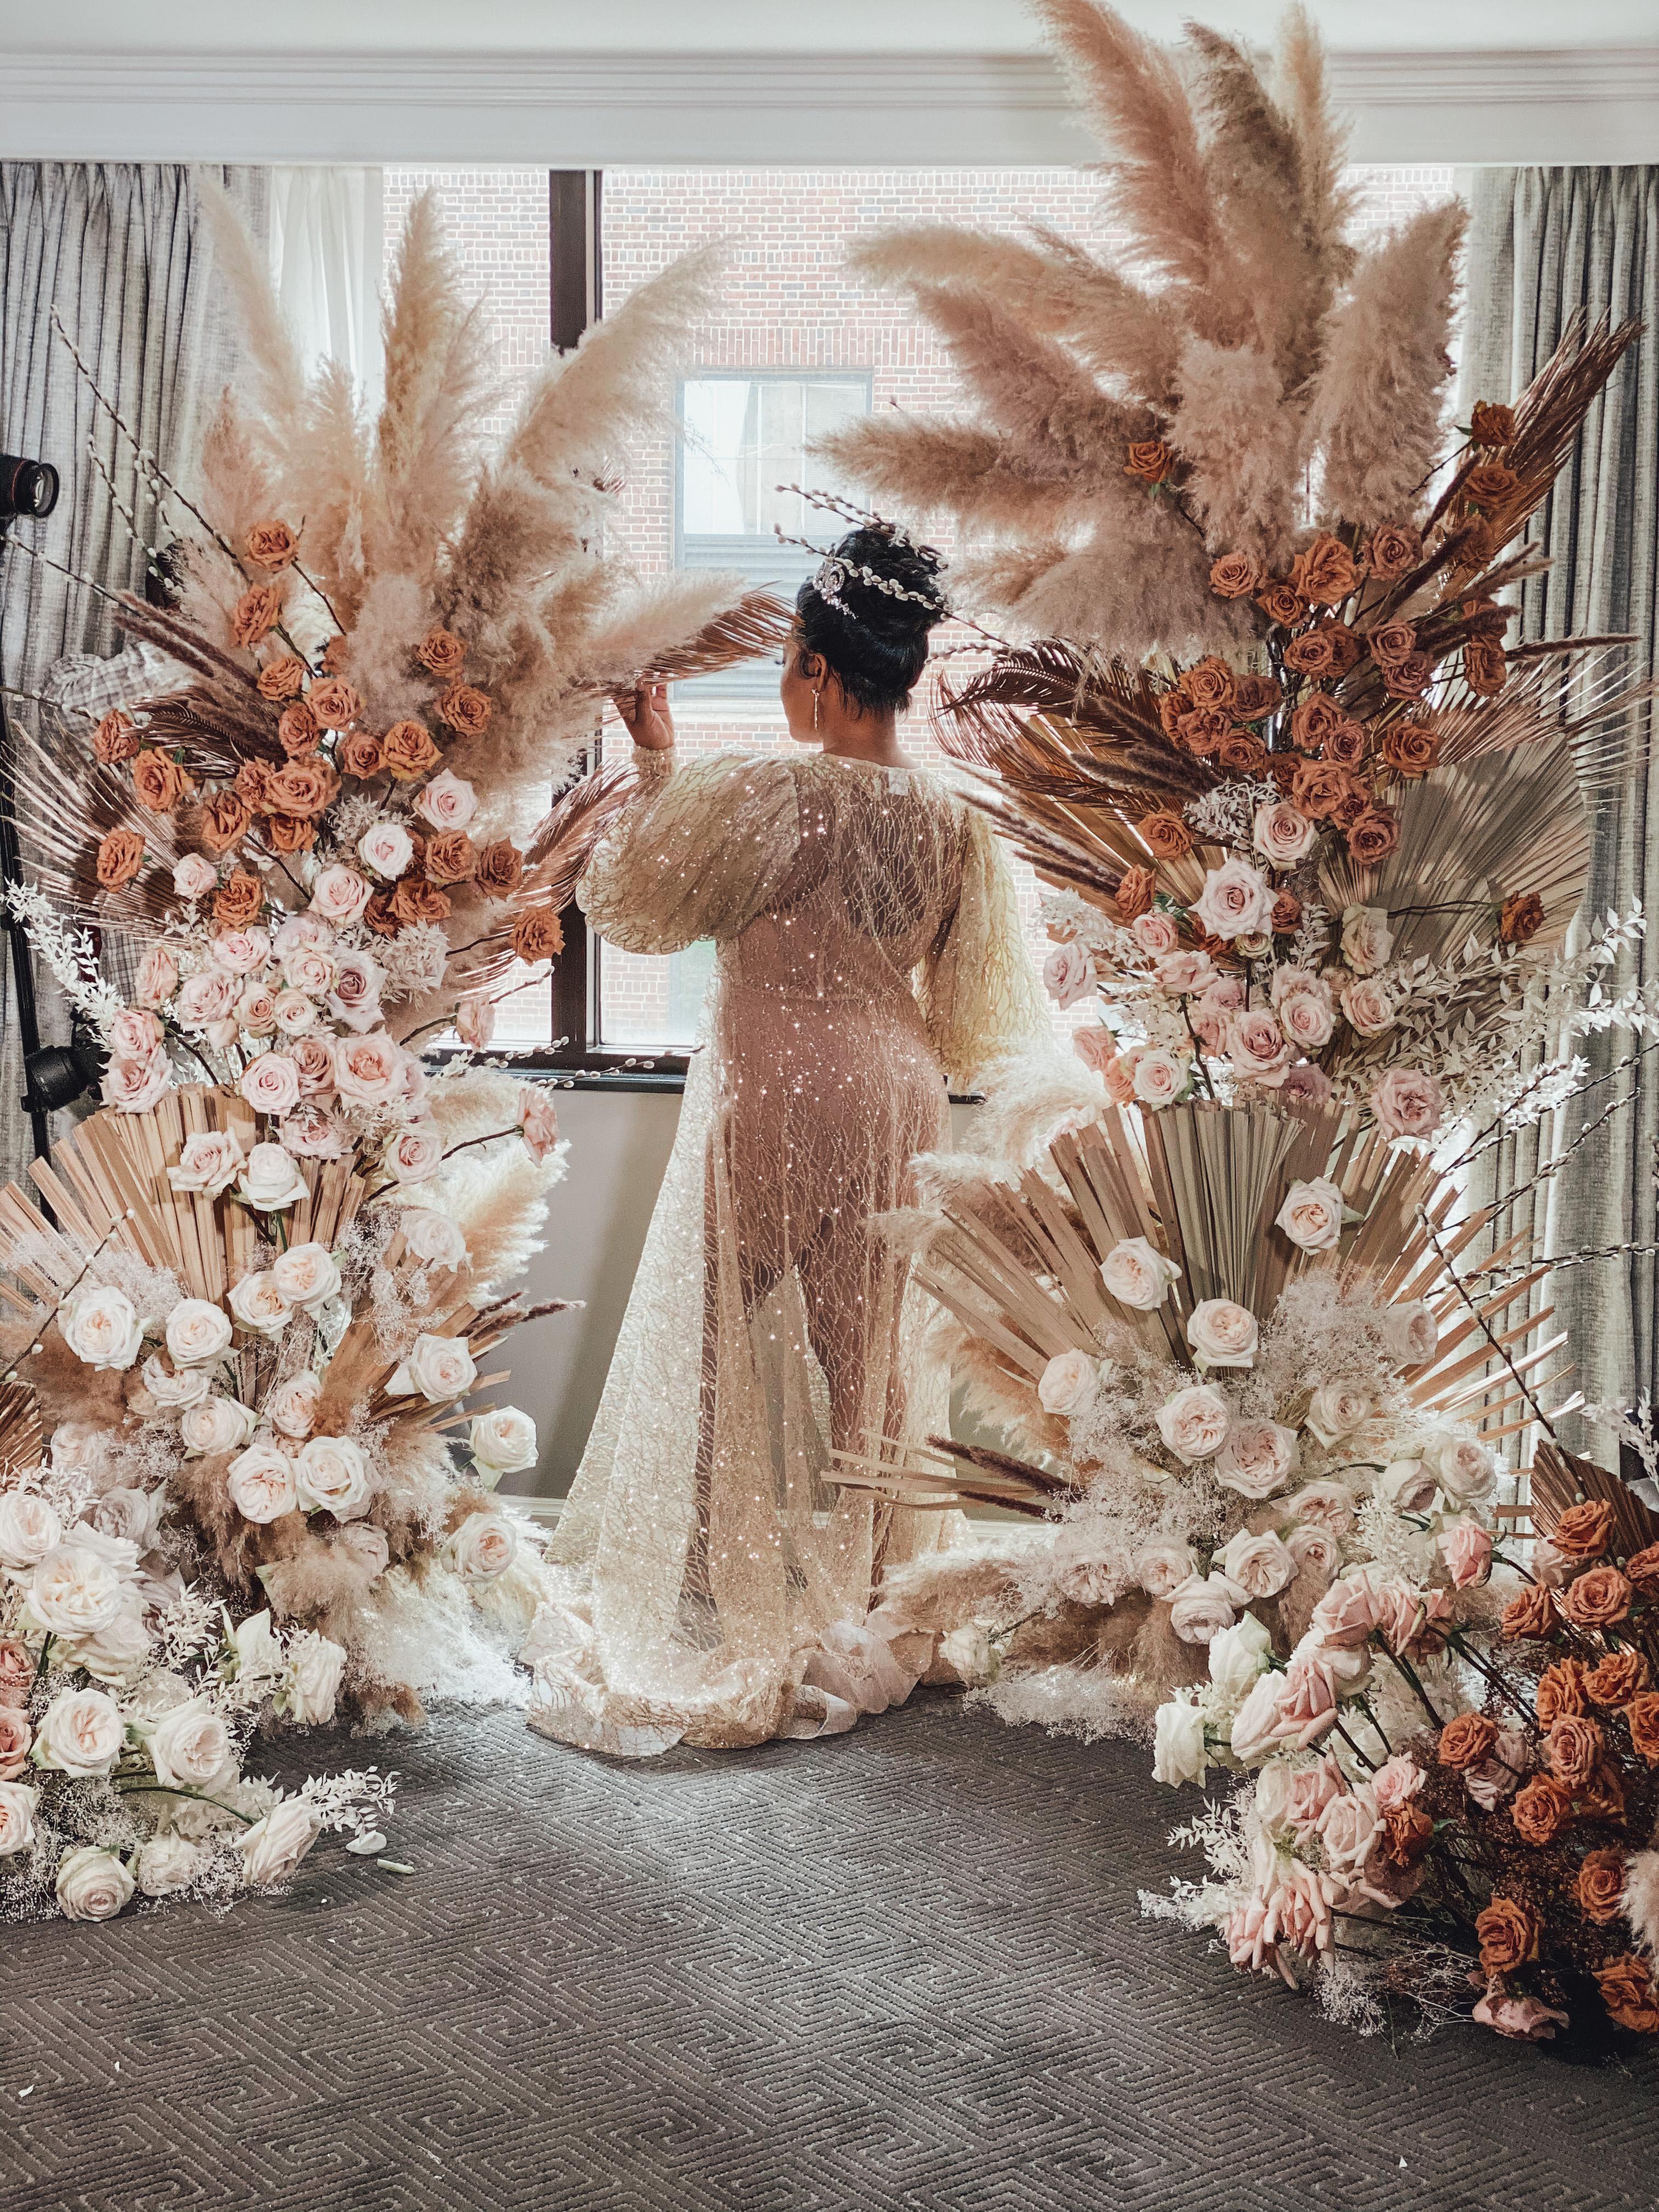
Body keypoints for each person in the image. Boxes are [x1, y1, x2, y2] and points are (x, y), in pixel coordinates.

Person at [529, 526, 1050, 1756]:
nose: (781, 687)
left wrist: (655, 762)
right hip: (897, 1092)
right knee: (868, 1355)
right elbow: (977, 1019)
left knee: (715, 1327)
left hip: (779, 1083)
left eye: (786, 664)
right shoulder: (954, 822)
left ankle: (711, 1578)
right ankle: (870, 1586)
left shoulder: (775, 792)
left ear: (818, 667)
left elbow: (638, 897)